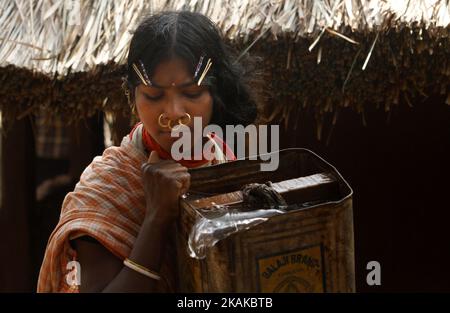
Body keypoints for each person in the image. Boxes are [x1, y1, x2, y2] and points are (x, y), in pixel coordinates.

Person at [37, 10, 261, 292]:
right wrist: (156, 217)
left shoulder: (225, 159)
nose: (174, 112)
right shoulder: (105, 188)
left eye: (191, 94)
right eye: (154, 96)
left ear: (216, 96)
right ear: (132, 98)